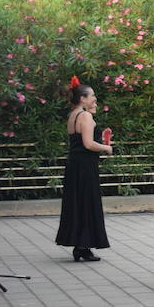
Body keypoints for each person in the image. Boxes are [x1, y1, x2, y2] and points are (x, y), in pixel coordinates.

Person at [56, 77, 111, 262]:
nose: (95, 98)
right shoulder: (85, 116)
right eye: (92, 96)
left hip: (74, 165)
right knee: (87, 203)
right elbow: (88, 144)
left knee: (77, 203)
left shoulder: (72, 116)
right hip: (86, 166)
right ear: (83, 98)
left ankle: (80, 244)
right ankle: (83, 246)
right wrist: (106, 148)